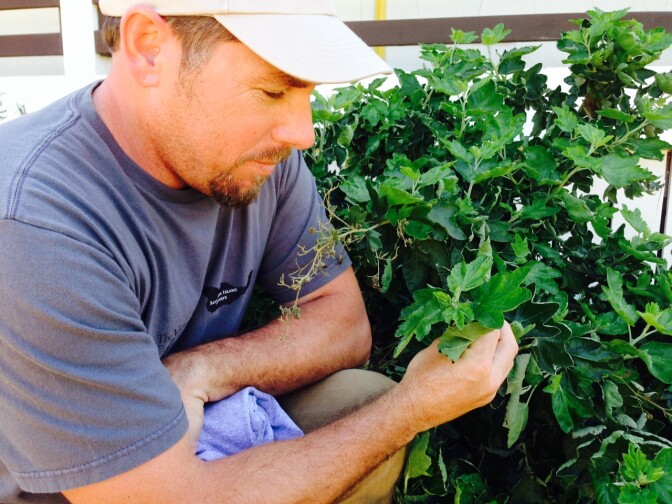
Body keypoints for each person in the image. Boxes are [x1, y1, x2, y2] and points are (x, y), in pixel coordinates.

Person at [0, 1, 519, 502]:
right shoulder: (36, 226)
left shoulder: (252, 162)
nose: (303, 133)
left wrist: (201, 371)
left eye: (307, 94)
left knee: (355, 398)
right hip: (88, 489)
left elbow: (342, 323)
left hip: (189, 443)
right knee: (379, 415)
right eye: (272, 92)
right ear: (149, 47)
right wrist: (413, 407)